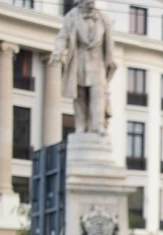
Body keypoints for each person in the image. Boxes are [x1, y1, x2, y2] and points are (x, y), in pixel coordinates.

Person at [50, 0, 116, 134]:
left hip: (98, 62)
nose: (91, 2)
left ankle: (97, 125)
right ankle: (80, 125)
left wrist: (111, 60)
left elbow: (109, 42)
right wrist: (58, 52)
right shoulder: (72, 16)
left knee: (98, 94)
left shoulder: (103, 18)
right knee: (79, 95)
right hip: (79, 60)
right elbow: (62, 37)